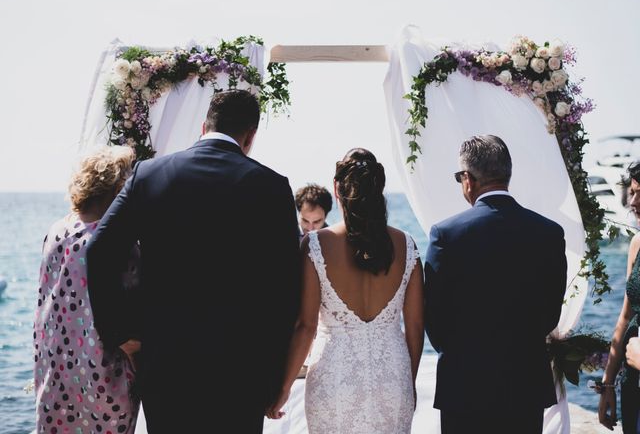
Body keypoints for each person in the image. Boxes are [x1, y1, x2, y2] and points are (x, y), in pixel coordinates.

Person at [86, 90, 302, 433]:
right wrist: (273, 373)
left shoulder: (148, 175)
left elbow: (99, 251)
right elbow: (287, 290)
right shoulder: (272, 187)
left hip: (165, 363)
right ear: (250, 136)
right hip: (241, 371)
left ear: (204, 126)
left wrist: (119, 332)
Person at [266, 148, 424, 433]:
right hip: (392, 379)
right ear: (379, 189)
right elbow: (414, 326)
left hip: (334, 380)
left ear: (337, 191)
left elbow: (306, 326)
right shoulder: (408, 245)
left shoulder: (316, 245)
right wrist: (407, 383)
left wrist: (284, 389)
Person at [424, 135, 567, 434]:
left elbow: (434, 320)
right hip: (525, 383)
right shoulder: (549, 233)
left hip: (464, 385)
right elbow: (549, 315)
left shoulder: (446, 234)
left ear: (467, 179)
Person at [34, 145, 140, 433]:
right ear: (118, 188)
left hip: (55, 366)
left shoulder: (56, 231)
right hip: (102, 373)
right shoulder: (116, 242)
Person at [599, 161, 640, 432]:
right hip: (632, 382)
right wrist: (608, 384)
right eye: (632, 192)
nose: (632, 201)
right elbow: (625, 316)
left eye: (639, 193)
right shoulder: (638, 243)